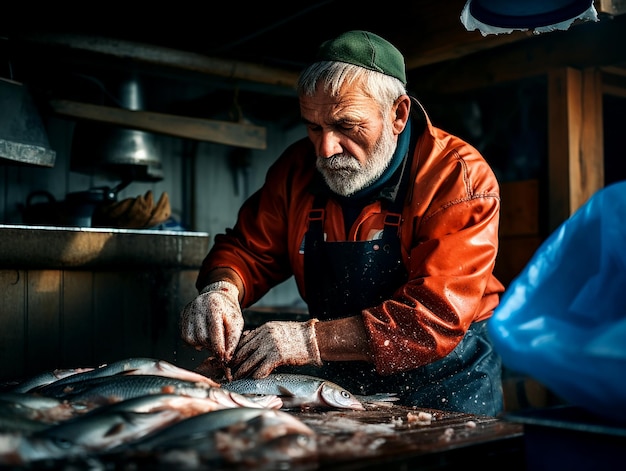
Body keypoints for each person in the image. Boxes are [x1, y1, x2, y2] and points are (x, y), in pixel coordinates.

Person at [180, 30, 505, 416]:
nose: (325, 149)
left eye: (346, 126)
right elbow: (248, 249)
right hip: (346, 379)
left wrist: (307, 340)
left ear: (398, 114)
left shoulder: (457, 179)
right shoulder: (296, 169)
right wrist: (221, 289)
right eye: (313, 127)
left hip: (448, 378)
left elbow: (433, 317)